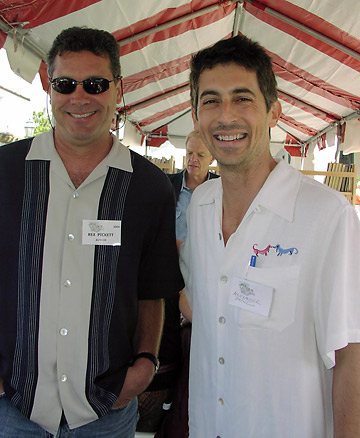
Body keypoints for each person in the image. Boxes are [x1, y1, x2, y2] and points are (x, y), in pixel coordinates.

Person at [0, 26, 184, 438]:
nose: (79, 97)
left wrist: (145, 363)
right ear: (50, 88)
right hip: (12, 410)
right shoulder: (5, 172)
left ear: (117, 89)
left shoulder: (149, 186)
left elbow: (152, 291)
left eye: (96, 84)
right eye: (66, 84)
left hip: (106, 412)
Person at [180, 34, 360, 437]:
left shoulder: (327, 216)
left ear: (273, 111)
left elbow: (352, 357)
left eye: (242, 98)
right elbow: (205, 307)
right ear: (195, 115)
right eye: (210, 101)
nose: (226, 116)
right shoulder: (201, 205)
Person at [137, 131, 218, 436]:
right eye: (190, 154)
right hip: (164, 275)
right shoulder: (166, 187)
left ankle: (183, 402)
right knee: (164, 337)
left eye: (199, 155)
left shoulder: (219, 192)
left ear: (212, 158)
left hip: (199, 279)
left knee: (193, 345)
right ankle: (163, 401)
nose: (193, 160)